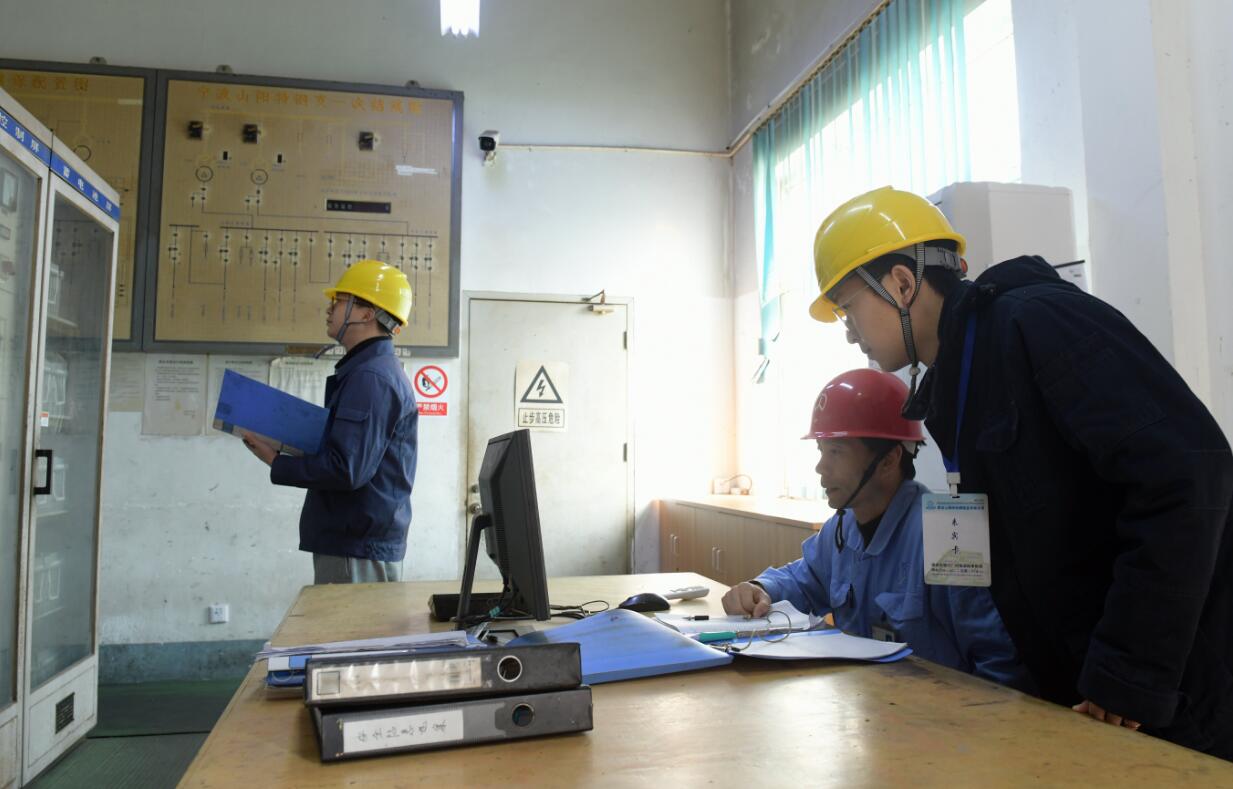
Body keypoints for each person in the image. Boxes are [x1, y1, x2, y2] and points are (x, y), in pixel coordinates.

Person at [808, 186, 1233, 758]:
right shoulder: (960, 375)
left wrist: (1128, 672)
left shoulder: (1039, 322)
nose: (847, 329)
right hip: (1079, 690)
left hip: (1165, 696)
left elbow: (1189, 474)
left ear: (902, 284)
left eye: (847, 306)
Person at [723, 368, 1031, 690]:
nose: (820, 467)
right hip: (866, 708)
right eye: (821, 451)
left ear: (888, 460)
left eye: (836, 452)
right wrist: (759, 589)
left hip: (936, 716)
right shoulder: (841, 528)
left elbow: (999, 664)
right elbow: (804, 580)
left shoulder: (947, 536)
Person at [242, 259, 419, 585]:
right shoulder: (368, 372)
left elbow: (346, 469)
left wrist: (275, 461)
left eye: (339, 300)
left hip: (356, 547)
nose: (329, 308)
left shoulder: (371, 377)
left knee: (353, 622)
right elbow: (350, 456)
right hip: (356, 542)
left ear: (366, 314)